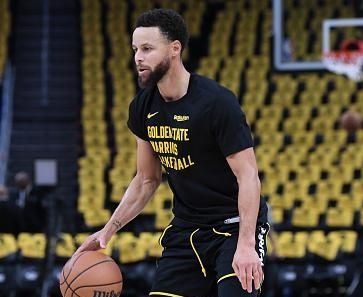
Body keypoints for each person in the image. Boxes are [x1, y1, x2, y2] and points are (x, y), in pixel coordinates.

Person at [75, 8, 269, 297]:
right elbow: (146, 180)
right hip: (186, 231)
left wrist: (245, 245)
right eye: (135, 49)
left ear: (174, 49)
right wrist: (107, 231)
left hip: (234, 228)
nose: (138, 57)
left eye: (147, 48)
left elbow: (248, 176)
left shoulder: (217, 103)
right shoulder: (143, 107)